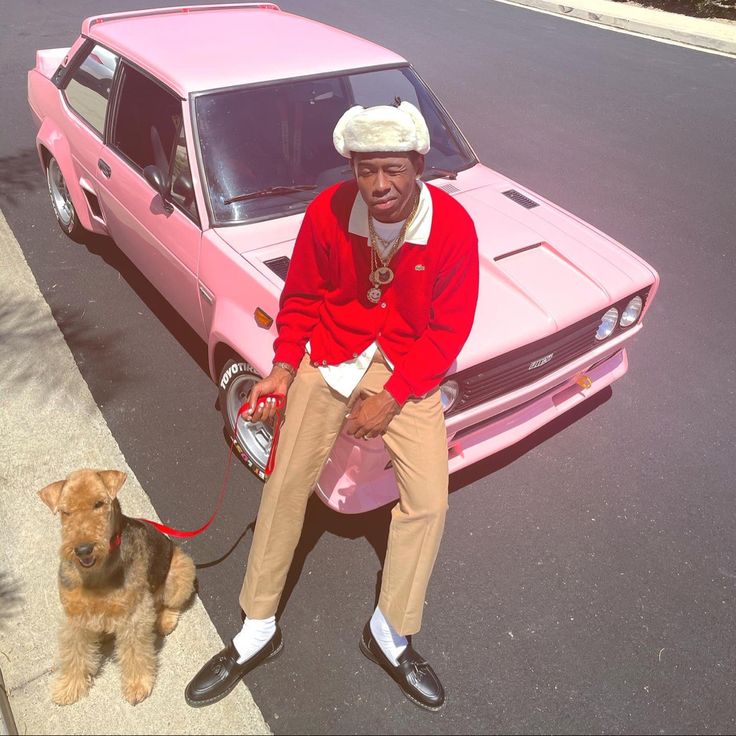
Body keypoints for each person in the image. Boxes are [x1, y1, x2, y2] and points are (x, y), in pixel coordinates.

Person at [185, 101, 479, 712]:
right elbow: (300, 297)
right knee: (285, 482)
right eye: (366, 170)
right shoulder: (327, 210)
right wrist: (284, 370)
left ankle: (390, 634)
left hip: (405, 368)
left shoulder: (452, 226)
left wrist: (393, 399)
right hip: (331, 352)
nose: (379, 186)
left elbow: (450, 330)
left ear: (419, 164)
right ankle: (255, 630)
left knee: (427, 501)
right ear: (352, 167)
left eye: (393, 170)